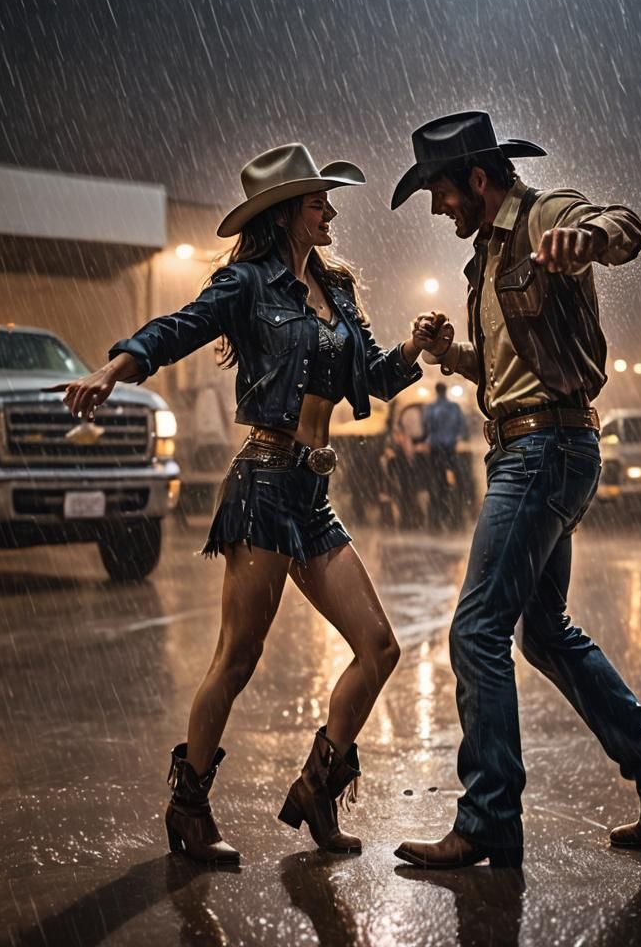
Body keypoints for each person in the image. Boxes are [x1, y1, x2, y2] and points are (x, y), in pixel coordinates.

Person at [57, 143, 445, 864]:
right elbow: (178, 328)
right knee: (238, 657)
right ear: (285, 213)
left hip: (312, 492)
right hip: (263, 483)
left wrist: (414, 348)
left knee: (379, 647)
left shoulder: (340, 292)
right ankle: (188, 807)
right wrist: (118, 366)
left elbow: (374, 383)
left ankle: (317, 786)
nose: (329, 211)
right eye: (316, 201)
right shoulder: (246, 285)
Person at [390, 111, 641, 869]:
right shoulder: (487, 261)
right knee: (543, 631)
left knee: (474, 631)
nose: (438, 210)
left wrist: (587, 239)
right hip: (530, 448)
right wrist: (450, 354)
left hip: (546, 450)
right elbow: (508, 371)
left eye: (439, 192)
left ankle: (490, 815)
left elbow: (625, 224)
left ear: (475, 179)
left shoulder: (546, 214)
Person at [422, 381, 468, 527]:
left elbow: (427, 426)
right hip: (450, 448)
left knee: (437, 481)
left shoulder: (431, 408)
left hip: (436, 449)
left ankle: (438, 514)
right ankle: (456, 513)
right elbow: (462, 428)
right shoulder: (454, 408)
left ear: (436, 391)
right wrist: (454, 437)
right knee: (457, 480)